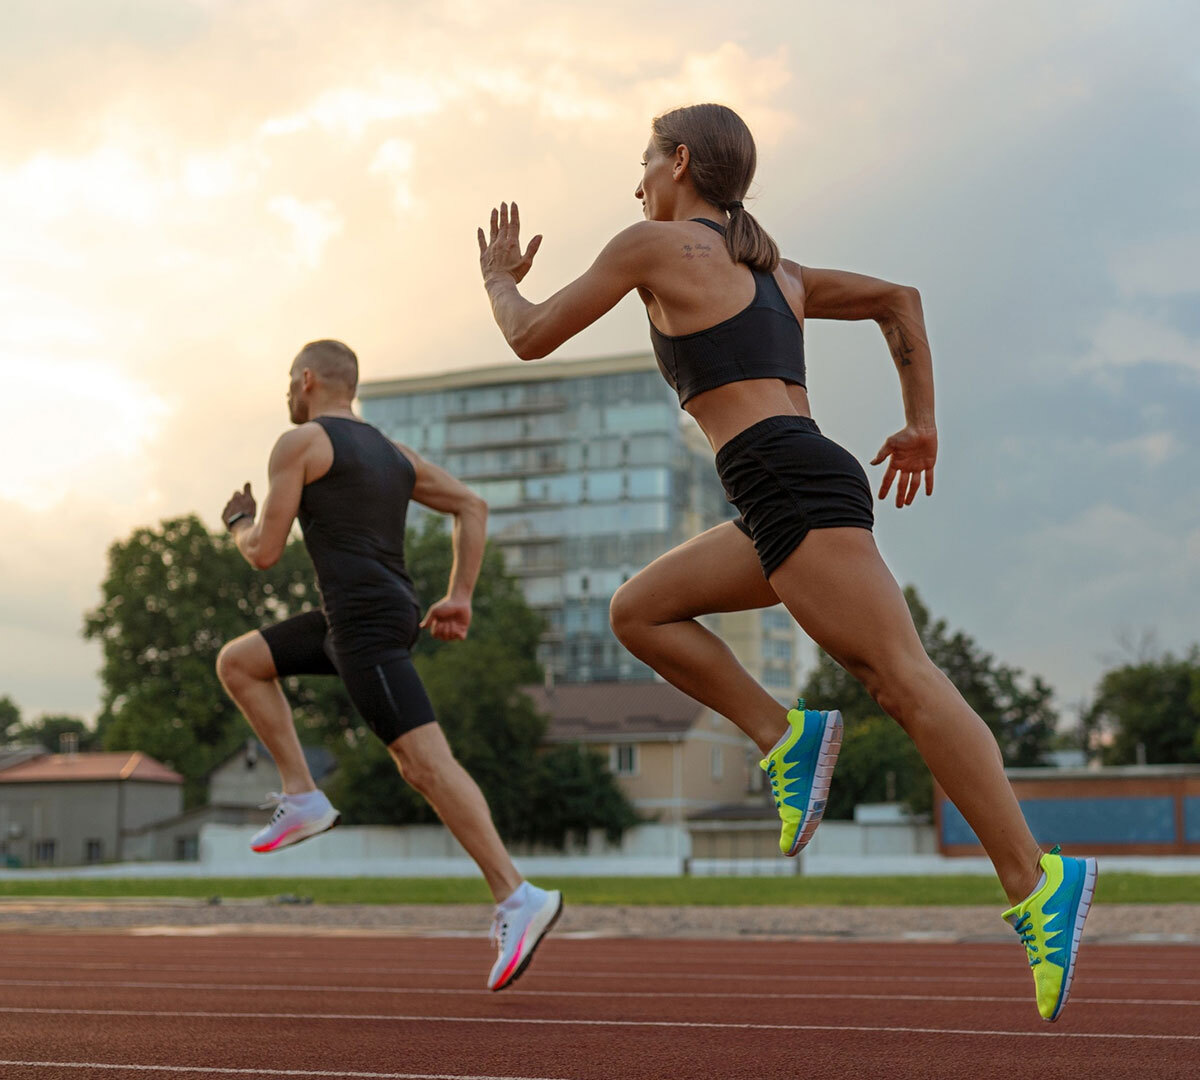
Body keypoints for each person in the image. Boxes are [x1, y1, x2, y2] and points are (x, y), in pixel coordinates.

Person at [476, 103, 1096, 1022]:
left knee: (903, 680)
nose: (636, 183)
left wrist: (496, 279)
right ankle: (784, 736)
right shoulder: (780, 273)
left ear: (680, 163)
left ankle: (1036, 880)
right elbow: (901, 301)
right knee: (639, 611)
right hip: (780, 488)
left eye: (644, 164)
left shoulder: (652, 245)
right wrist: (920, 419)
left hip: (787, 480)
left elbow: (527, 335)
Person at [215, 338, 561, 991]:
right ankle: (302, 795)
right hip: (362, 616)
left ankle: (519, 897)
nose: (288, 392)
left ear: (310, 379)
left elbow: (263, 552)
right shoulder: (394, 454)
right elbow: (472, 505)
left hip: (366, 624)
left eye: (291, 381)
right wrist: (458, 595)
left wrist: (239, 522)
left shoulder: (300, 444)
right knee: (239, 662)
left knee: (425, 764)